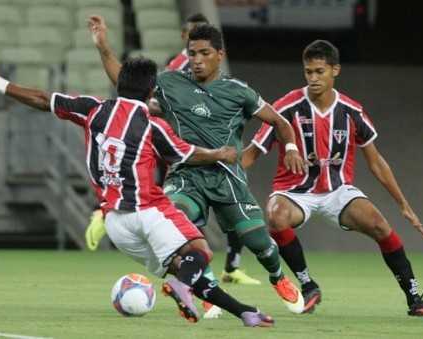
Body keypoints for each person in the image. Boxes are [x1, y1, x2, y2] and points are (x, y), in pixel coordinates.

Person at [0, 58, 274, 327]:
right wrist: (220, 154)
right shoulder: (153, 127)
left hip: (116, 225)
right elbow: (189, 154)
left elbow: (44, 99)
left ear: (118, 85)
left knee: (188, 272)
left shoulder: (93, 110)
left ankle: (245, 312)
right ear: (152, 91)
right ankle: (186, 288)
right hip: (147, 211)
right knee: (200, 252)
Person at [89, 15, 308, 314]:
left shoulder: (238, 91)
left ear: (220, 55)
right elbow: (124, 81)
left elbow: (279, 122)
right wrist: (103, 47)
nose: (197, 60)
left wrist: (292, 146)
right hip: (187, 177)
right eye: (192, 53)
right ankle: (201, 284)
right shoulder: (169, 82)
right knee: (176, 220)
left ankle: (277, 276)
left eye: (205, 53)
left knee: (260, 242)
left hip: (227, 178)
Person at [241, 40, 423, 317]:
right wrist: (224, 179)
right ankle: (308, 285)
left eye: (319, 71)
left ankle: (414, 298)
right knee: (275, 215)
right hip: (294, 192)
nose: (313, 78)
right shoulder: (286, 108)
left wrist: (403, 205)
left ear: (335, 70)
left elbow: (376, 162)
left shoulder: (351, 111)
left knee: (380, 226)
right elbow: (251, 154)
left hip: (337, 192)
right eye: (308, 72)